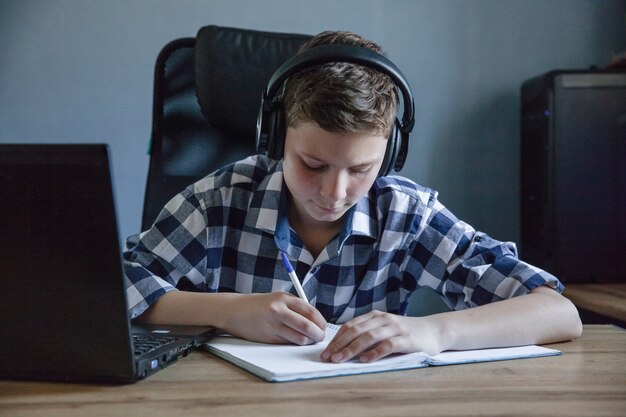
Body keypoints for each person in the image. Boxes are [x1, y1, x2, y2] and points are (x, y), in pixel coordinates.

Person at [124, 30, 582, 364]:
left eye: (361, 169)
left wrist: (434, 331)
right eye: (313, 164)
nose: (334, 192)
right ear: (276, 138)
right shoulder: (218, 202)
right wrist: (229, 312)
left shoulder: (406, 215)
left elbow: (558, 312)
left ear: (391, 153)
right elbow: (113, 286)